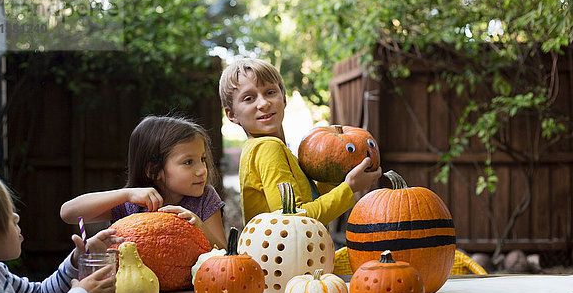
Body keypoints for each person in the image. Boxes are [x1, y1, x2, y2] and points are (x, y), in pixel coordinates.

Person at [219, 58, 382, 226]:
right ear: (231, 115)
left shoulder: (274, 150)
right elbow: (293, 221)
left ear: (283, 99)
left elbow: (312, 201)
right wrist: (349, 188)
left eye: (270, 92)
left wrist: (337, 179)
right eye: (249, 98)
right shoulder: (267, 147)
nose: (263, 103)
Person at [60, 115, 226, 249]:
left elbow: (224, 253)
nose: (202, 170)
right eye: (188, 162)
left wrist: (199, 225)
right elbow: (68, 213)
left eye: (202, 159)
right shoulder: (132, 204)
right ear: (153, 170)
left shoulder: (205, 198)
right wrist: (127, 194)